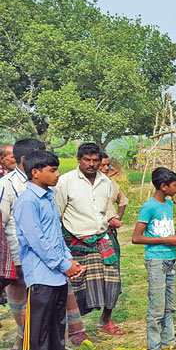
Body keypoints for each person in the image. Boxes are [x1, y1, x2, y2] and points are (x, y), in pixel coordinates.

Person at [0, 139, 89, 350]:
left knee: (56, 305)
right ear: (29, 163)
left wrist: (64, 260)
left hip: (53, 261)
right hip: (22, 256)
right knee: (28, 307)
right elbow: (17, 229)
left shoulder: (48, 189)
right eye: (50, 166)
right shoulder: (9, 186)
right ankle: (30, 346)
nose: (56, 172)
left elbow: (52, 229)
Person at [15, 150, 88, 350]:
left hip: (56, 274)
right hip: (41, 276)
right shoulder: (27, 201)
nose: (57, 175)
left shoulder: (47, 197)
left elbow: (56, 235)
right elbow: (37, 242)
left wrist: (69, 261)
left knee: (58, 324)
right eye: (52, 170)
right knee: (36, 330)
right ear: (35, 172)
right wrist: (62, 264)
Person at [55, 142, 123, 335]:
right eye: (87, 160)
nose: (91, 164)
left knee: (112, 281)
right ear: (79, 160)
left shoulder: (106, 182)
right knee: (76, 285)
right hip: (76, 241)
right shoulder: (65, 182)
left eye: (95, 160)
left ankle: (106, 321)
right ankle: (75, 328)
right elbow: (57, 215)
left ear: (100, 161)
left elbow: (105, 211)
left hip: (102, 238)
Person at [131, 167, 176, 350]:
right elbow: (136, 238)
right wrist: (167, 240)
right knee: (156, 308)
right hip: (156, 260)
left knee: (169, 305)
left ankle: (168, 343)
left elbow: (163, 229)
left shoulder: (168, 204)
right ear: (163, 187)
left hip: (170, 259)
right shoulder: (149, 207)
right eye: (174, 186)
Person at [100, 152, 128, 277]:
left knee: (113, 266)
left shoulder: (111, 183)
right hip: (90, 234)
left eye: (108, 165)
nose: (106, 169)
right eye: (102, 165)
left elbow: (123, 201)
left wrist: (118, 217)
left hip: (109, 232)